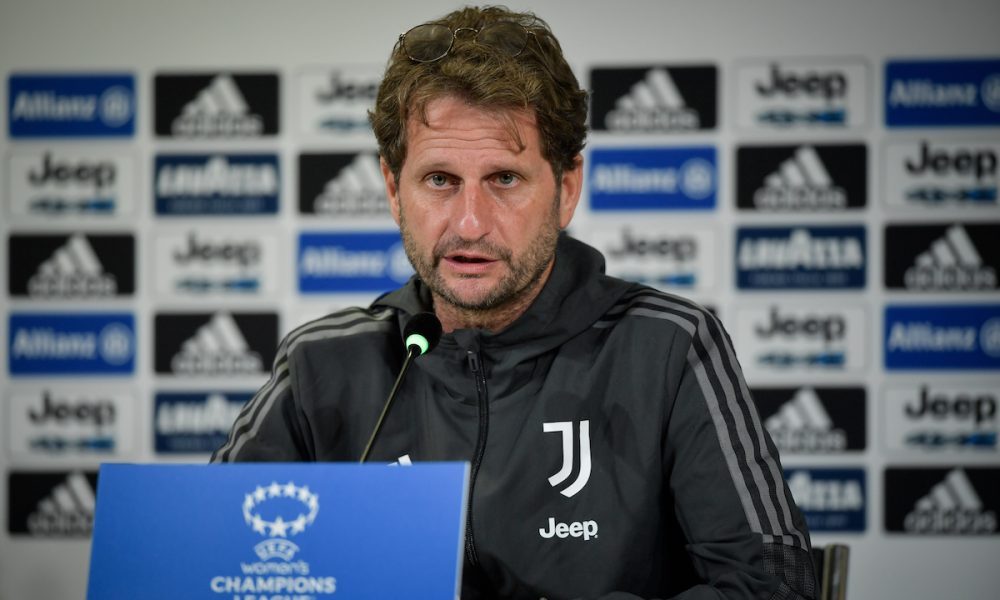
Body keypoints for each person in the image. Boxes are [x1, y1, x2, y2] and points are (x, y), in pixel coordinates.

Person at [213, 6, 816, 599]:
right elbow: (207, 564)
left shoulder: (667, 347)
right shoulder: (324, 363)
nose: (470, 223)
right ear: (394, 190)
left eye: (504, 179)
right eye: (440, 180)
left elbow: (773, 584)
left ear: (566, 188)